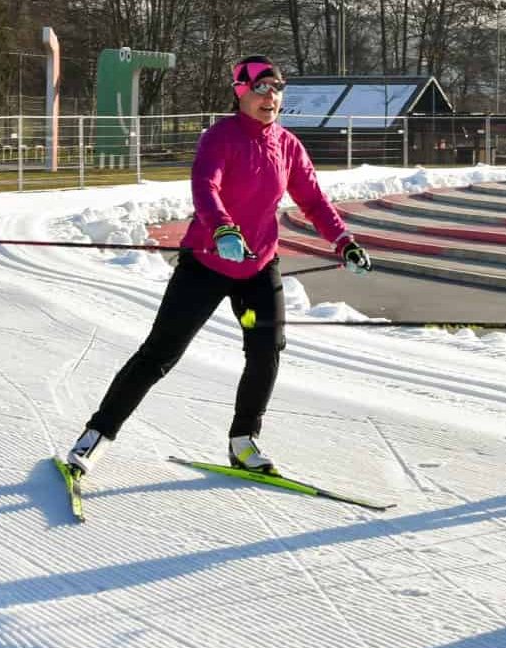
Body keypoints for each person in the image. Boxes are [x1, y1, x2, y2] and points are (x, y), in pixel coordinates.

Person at [63, 56, 370, 479]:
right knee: (160, 355)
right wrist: (223, 229)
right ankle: (95, 436)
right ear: (241, 92)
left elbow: (313, 201)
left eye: (277, 89)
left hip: (258, 267)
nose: (271, 98)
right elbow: (205, 186)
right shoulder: (219, 138)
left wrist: (343, 241)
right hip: (206, 264)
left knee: (266, 351)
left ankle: (243, 442)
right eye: (262, 89)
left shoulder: (287, 145)